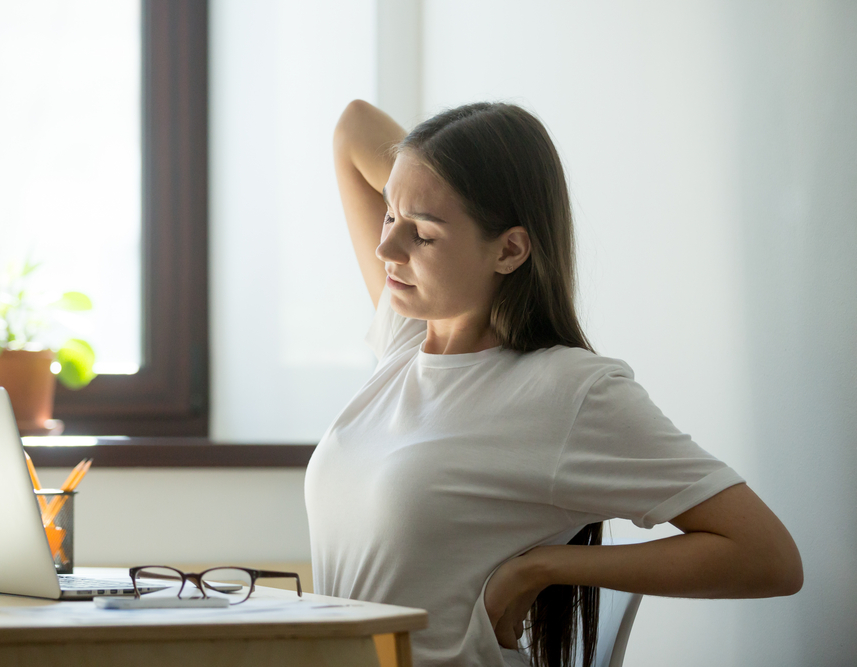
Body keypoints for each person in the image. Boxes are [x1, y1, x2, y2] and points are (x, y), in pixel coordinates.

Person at [304, 100, 803, 667]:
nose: (385, 247)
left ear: (510, 249)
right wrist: (430, 176)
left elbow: (768, 557)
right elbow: (352, 128)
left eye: (422, 235)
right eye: (390, 218)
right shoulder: (406, 341)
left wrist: (541, 568)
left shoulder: (568, 392)